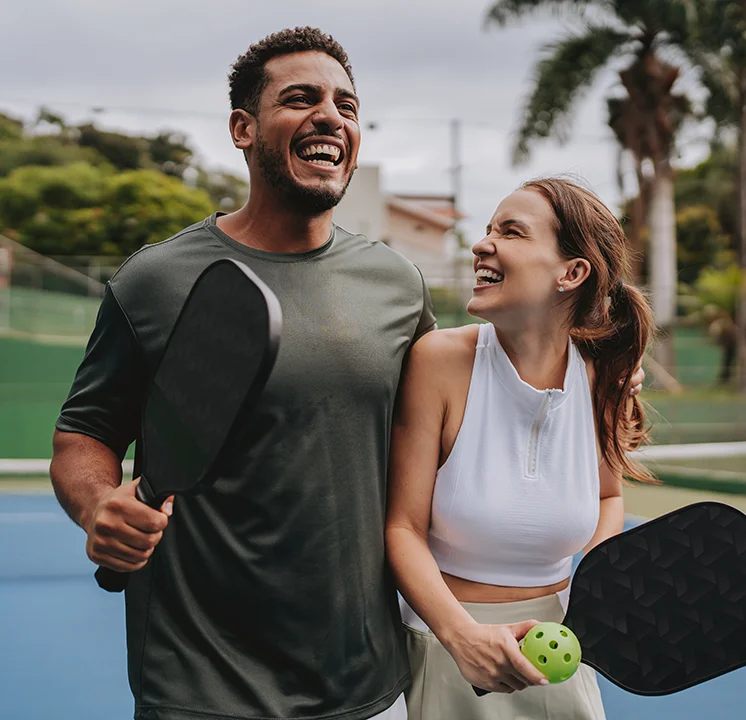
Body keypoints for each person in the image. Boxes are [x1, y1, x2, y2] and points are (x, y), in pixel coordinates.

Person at [49, 28, 645, 720]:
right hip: (199, 684)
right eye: (299, 99)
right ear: (243, 129)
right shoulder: (153, 280)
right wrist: (98, 505)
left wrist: (603, 366)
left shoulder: (396, 285)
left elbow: (481, 396)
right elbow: (83, 435)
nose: (330, 117)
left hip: (366, 683)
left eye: (347, 105)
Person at [385, 178, 658, 720]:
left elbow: (608, 497)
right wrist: (461, 637)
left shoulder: (605, 377)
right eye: (488, 228)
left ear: (571, 273)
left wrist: (596, 587)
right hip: (444, 651)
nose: (481, 244)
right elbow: (402, 529)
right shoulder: (437, 360)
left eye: (510, 232)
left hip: (563, 654)